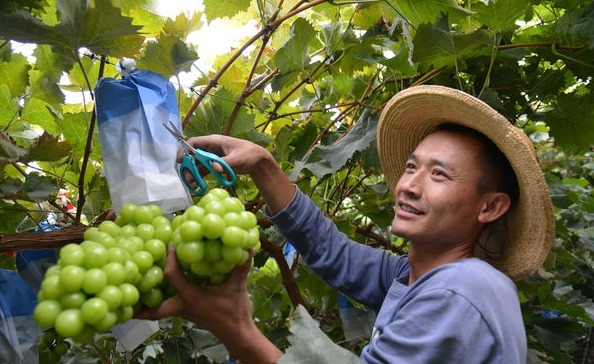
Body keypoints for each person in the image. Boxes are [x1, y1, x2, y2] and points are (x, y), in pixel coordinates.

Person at [136, 85, 555, 363]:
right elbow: (335, 254)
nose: (409, 185)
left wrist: (233, 326)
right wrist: (264, 167)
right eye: (411, 167)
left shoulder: (460, 293)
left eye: (439, 175)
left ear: (490, 207)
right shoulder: (424, 276)